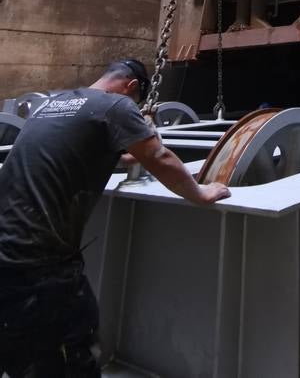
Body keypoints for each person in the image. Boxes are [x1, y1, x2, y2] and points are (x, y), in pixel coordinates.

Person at [0, 58, 230, 377]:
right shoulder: (117, 106)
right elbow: (159, 156)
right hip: (39, 261)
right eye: (135, 101)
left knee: (19, 352)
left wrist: (139, 141)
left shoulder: (55, 104)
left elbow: (97, 149)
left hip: (7, 249)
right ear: (131, 87)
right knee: (71, 352)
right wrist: (200, 193)